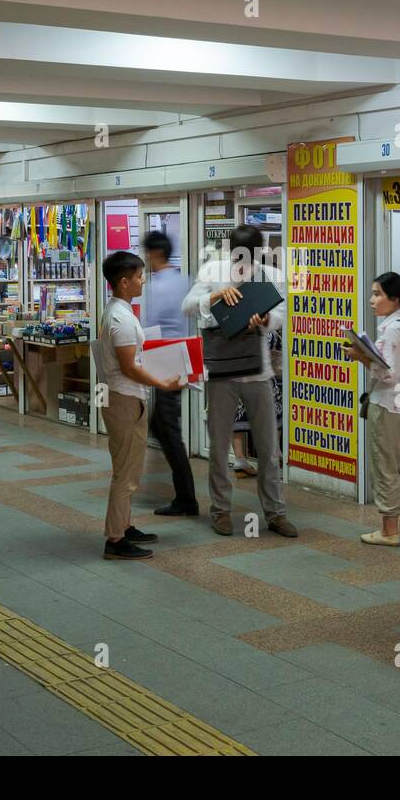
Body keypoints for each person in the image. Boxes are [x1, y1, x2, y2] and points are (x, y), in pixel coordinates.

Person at [182, 224, 297, 538]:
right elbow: (188, 306)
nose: (242, 264)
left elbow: (282, 314)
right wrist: (214, 296)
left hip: (258, 372)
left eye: (249, 257)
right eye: (237, 258)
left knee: (269, 448)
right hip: (221, 372)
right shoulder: (212, 270)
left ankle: (276, 513)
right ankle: (221, 512)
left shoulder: (270, 277)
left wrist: (266, 320)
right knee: (219, 447)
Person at [98, 251, 185, 560]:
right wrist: (163, 383)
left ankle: (124, 524)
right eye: (138, 276)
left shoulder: (120, 310)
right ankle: (115, 539)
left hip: (126, 397)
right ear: (124, 282)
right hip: (124, 398)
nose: (143, 280)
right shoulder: (120, 318)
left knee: (130, 467)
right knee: (126, 473)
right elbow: (129, 367)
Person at [344, 272, 400, 546]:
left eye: (377, 294)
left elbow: (388, 375)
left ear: (394, 299)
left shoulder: (391, 329)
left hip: (387, 406)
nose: (372, 300)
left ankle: (388, 529)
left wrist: (360, 355)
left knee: (384, 466)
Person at [141, 231, 198, 518]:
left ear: (154, 254)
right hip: (183, 358)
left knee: (167, 429)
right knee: (161, 424)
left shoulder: (155, 286)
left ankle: (186, 497)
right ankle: (178, 489)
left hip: (164, 361)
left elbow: (150, 327)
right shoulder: (184, 280)